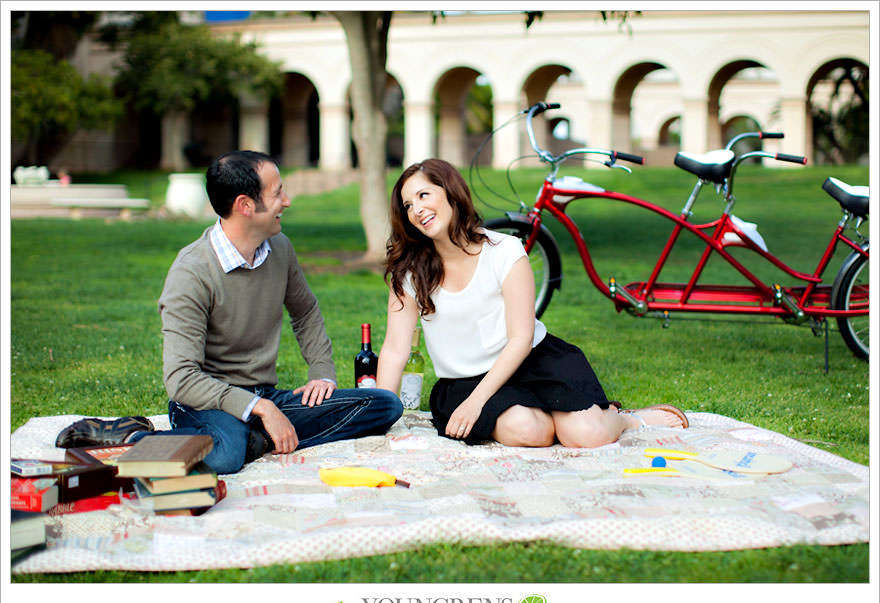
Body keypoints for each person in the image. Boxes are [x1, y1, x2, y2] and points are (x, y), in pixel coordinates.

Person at [56, 150, 402, 473]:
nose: (287, 201)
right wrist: (264, 410)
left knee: (383, 405)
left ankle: (259, 437)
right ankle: (133, 435)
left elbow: (306, 311)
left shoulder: (279, 248)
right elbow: (181, 380)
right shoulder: (191, 272)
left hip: (263, 394)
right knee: (225, 455)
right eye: (278, 193)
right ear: (245, 205)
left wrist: (322, 374)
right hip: (205, 402)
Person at [377, 158, 687, 448]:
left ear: (451, 193)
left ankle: (624, 420)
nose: (416, 209)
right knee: (529, 430)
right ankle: (566, 418)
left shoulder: (505, 251)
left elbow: (522, 339)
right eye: (408, 205)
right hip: (463, 382)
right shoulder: (409, 273)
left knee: (587, 435)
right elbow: (394, 349)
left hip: (531, 361)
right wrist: (379, 416)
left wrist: (477, 404)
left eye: (423, 195)